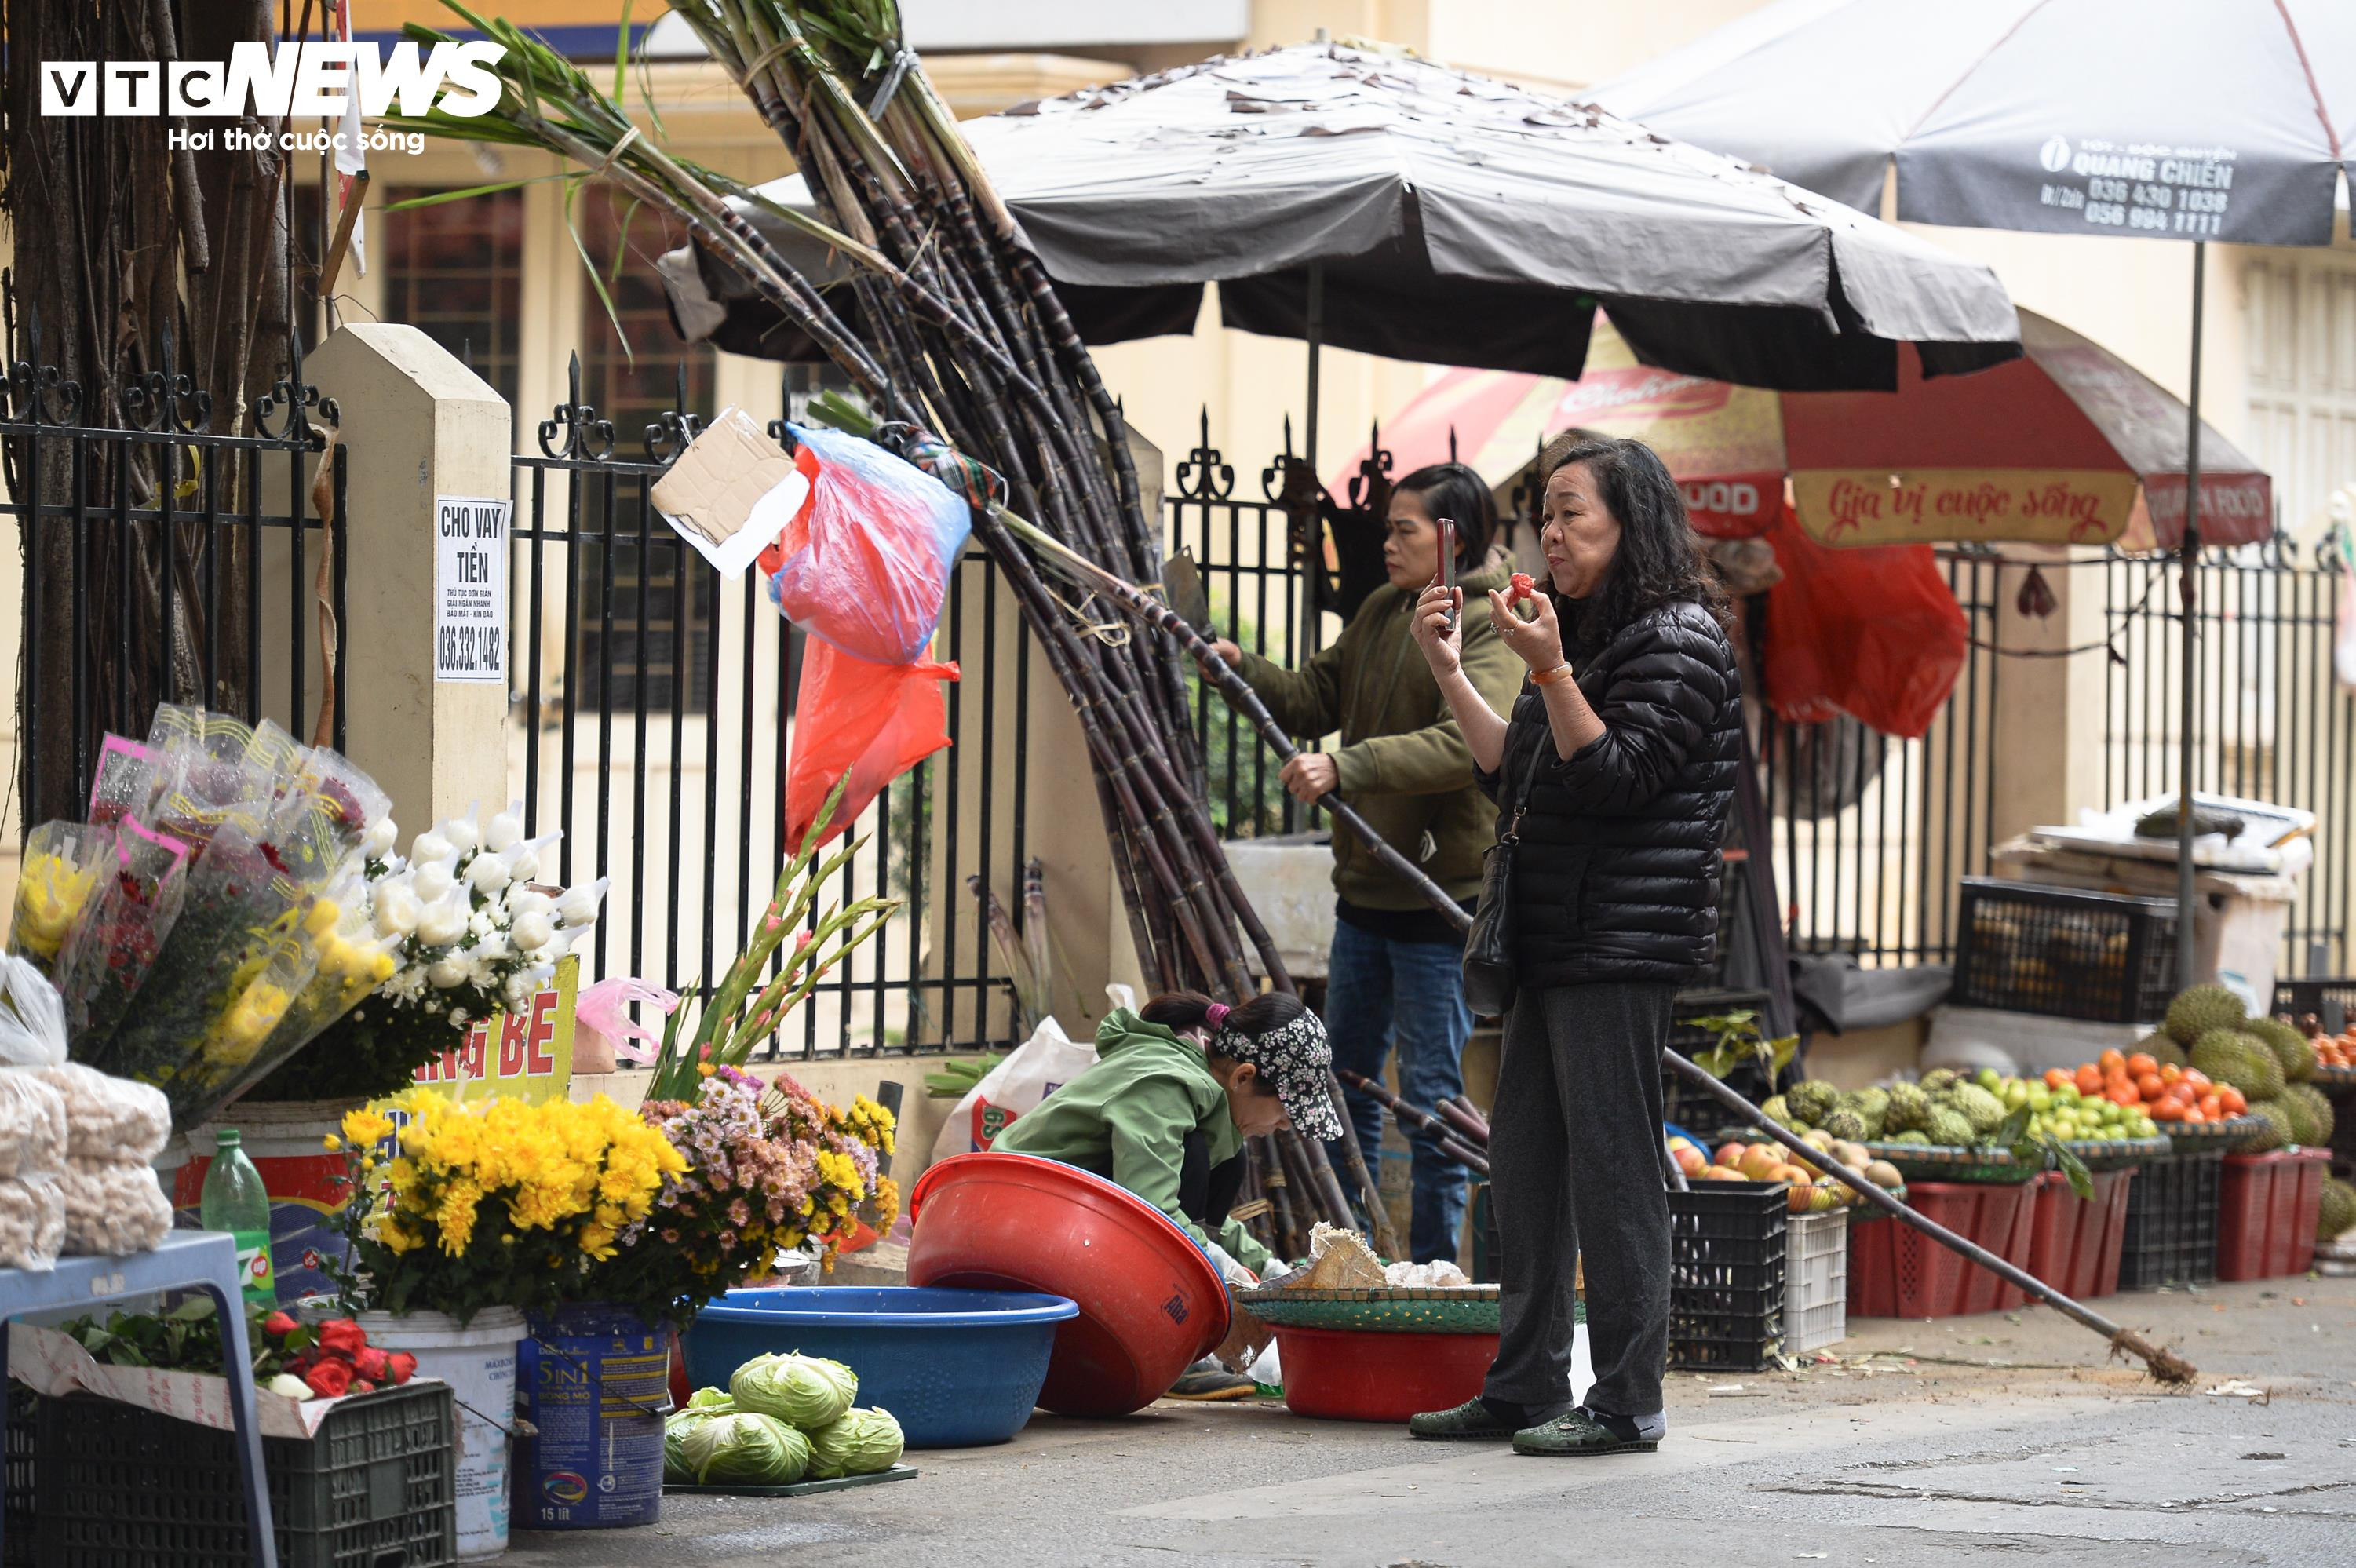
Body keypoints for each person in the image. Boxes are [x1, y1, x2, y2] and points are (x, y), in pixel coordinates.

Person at [1401, 435, 1739, 1457]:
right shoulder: (1581, 632)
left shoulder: (1677, 638)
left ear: (1630, 523)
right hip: (1551, 933)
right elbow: (1515, 771)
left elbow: (1616, 777)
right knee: (1528, 1165)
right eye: (1542, 515)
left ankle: (1628, 1397)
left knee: (1611, 1166)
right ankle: (1523, 1380)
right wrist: (1452, 671)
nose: (1549, 534)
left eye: (1571, 513)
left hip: (1619, 941)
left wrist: (1549, 666)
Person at [1213, 463, 1523, 1264]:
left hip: (1434, 902)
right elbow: (1315, 696)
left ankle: (1431, 1270)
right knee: (1338, 1086)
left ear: (1452, 539)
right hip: (1363, 903)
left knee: (1428, 1102)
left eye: (1403, 530)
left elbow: (1465, 744)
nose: (1384, 544)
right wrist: (1237, 667)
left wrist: (1348, 767)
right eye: (1387, 528)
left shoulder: (1487, 625)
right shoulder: (1382, 610)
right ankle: (1345, 1259)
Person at [990, 990, 1342, 1399]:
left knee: (1227, 1160)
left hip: (1063, 1214)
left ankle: (1177, 1346)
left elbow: (1193, 1217)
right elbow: (1153, 1210)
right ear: (1243, 1077)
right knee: (1197, 1156)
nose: (1285, 1126)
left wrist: (1270, 1272)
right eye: (1287, 1110)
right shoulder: (1167, 1082)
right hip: (1015, 1212)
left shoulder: (1205, 1089)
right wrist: (1225, 1276)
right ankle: (1170, 1349)